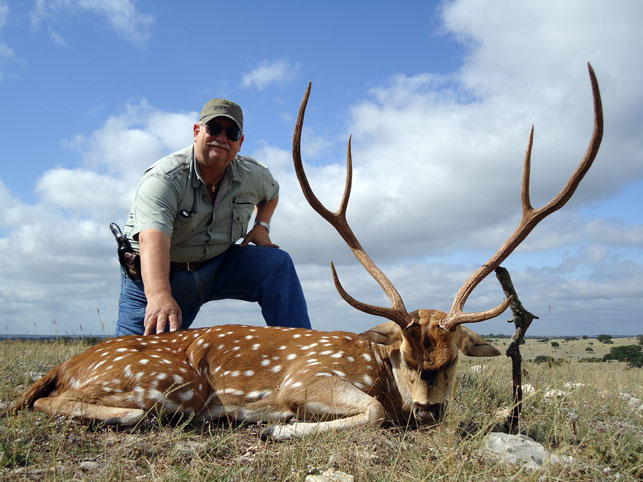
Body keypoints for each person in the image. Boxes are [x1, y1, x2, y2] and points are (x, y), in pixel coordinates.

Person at [116, 98, 311, 336]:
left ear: (240, 142)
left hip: (218, 267)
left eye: (231, 132)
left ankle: (302, 352)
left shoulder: (254, 175)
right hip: (161, 276)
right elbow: (152, 240)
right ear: (197, 132)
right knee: (135, 363)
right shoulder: (164, 179)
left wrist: (261, 225)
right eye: (214, 128)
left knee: (277, 263)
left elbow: (272, 195)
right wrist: (159, 295)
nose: (222, 137)